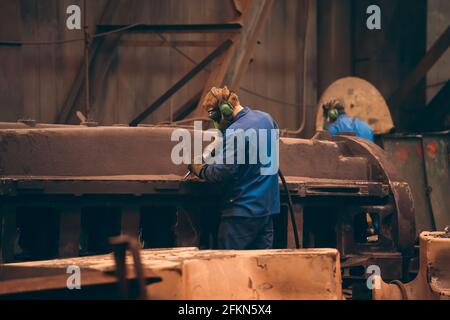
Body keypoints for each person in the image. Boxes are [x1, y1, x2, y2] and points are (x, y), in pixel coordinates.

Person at [188, 86, 280, 250]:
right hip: (266, 211)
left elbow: (220, 172)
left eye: (214, 115)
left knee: (231, 269)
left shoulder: (235, 130)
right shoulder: (266, 118)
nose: (215, 122)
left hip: (241, 214)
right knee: (261, 268)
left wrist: (199, 169)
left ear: (224, 110)